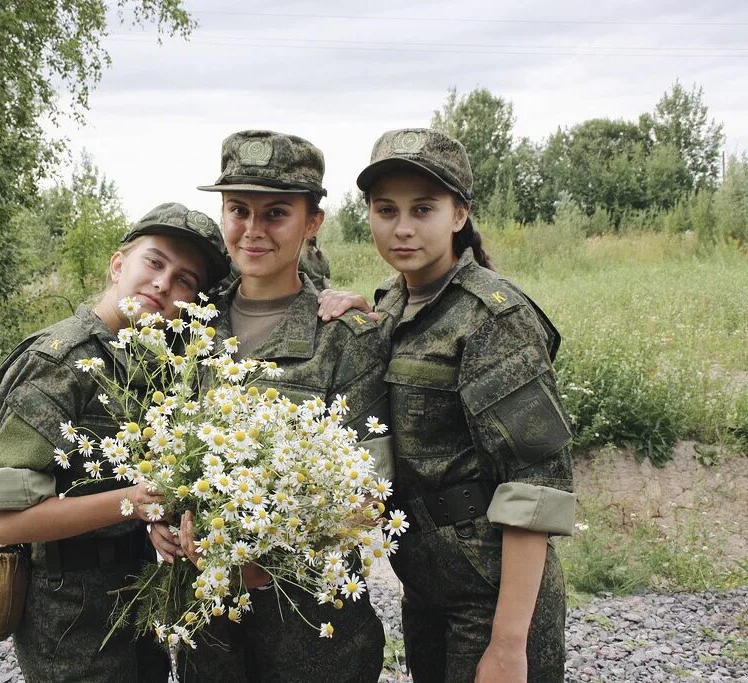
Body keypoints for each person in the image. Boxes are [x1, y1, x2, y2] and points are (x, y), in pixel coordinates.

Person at [323, 128, 575, 682]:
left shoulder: (494, 318)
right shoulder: (391, 303)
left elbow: (535, 486)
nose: (403, 227)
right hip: (426, 585)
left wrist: (508, 645)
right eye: (386, 209)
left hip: (489, 594)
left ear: (459, 215)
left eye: (424, 209)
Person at [150, 130, 391, 683]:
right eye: (239, 210)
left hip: (311, 634)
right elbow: (158, 448)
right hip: (210, 630)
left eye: (276, 213)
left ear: (312, 223)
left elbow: (371, 495)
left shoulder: (344, 336)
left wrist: (265, 559)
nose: (253, 230)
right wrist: (158, 525)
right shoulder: (188, 325)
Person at [0, 203, 229, 683]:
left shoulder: (142, 361)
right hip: (68, 610)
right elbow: (4, 524)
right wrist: (132, 503)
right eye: (154, 261)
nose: (164, 284)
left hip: (129, 591)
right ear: (117, 264)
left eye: (186, 280)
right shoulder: (59, 362)